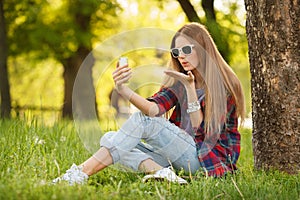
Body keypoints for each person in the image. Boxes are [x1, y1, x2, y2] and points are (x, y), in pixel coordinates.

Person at [52, 22, 245, 185]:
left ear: (202, 48)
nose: (181, 56)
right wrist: (123, 89)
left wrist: (190, 89)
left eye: (187, 49)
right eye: (176, 52)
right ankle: (161, 172)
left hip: (206, 161)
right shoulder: (180, 80)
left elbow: (202, 133)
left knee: (138, 125)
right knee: (113, 137)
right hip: (180, 156)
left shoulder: (224, 86)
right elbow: (154, 109)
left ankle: (80, 174)